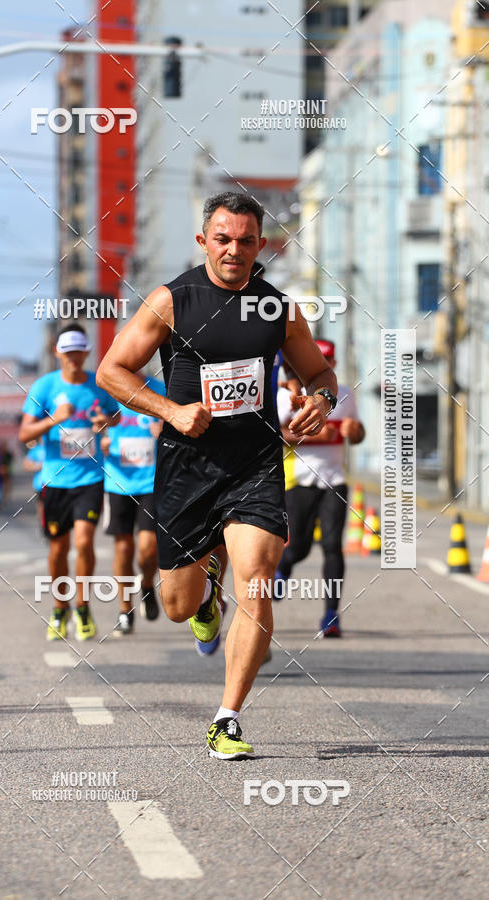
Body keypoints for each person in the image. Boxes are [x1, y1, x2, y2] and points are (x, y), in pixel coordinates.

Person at [96, 191, 338, 759]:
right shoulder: (172, 301)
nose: (234, 250)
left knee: (256, 576)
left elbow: (320, 372)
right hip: (187, 464)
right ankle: (205, 602)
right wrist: (170, 410)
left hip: (255, 462)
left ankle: (227, 719)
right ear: (204, 240)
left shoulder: (277, 309)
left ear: (262, 245)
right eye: (223, 238)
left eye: (247, 241)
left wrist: (322, 400)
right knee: (178, 603)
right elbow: (113, 370)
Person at [19, 324, 119, 641]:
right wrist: (55, 419)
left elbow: (116, 415)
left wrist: (106, 421)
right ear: (58, 353)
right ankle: (59, 607)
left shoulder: (99, 385)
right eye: (68, 351)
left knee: (84, 543)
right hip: (54, 481)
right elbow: (25, 434)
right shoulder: (44, 387)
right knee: (58, 549)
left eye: (79, 351)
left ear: (87, 353)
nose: (74, 357)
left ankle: (83, 606)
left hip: (90, 478)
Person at [276, 338, 365, 637]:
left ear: (334, 365)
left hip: (335, 480)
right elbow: (276, 434)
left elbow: (357, 433)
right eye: (318, 362)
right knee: (299, 547)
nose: (323, 367)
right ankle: (284, 567)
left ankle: (331, 614)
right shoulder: (291, 395)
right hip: (299, 479)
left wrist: (356, 431)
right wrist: (315, 435)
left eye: (328, 362)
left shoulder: (347, 395)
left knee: (332, 547)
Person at [101, 372, 166, 635]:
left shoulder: (159, 387)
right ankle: (124, 609)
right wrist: (100, 440)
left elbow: (178, 421)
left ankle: (148, 584)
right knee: (123, 548)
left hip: (151, 482)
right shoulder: (109, 388)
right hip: (118, 481)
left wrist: (165, 430)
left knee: (149, 549)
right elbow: (92, 426)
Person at [23, 439, 46, 529]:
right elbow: (26, 465)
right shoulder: (36, 450)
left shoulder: (57, 446)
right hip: (40, 484)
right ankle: (43, 527)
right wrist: (38, 466)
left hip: (57, 483)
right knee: (42, 506)